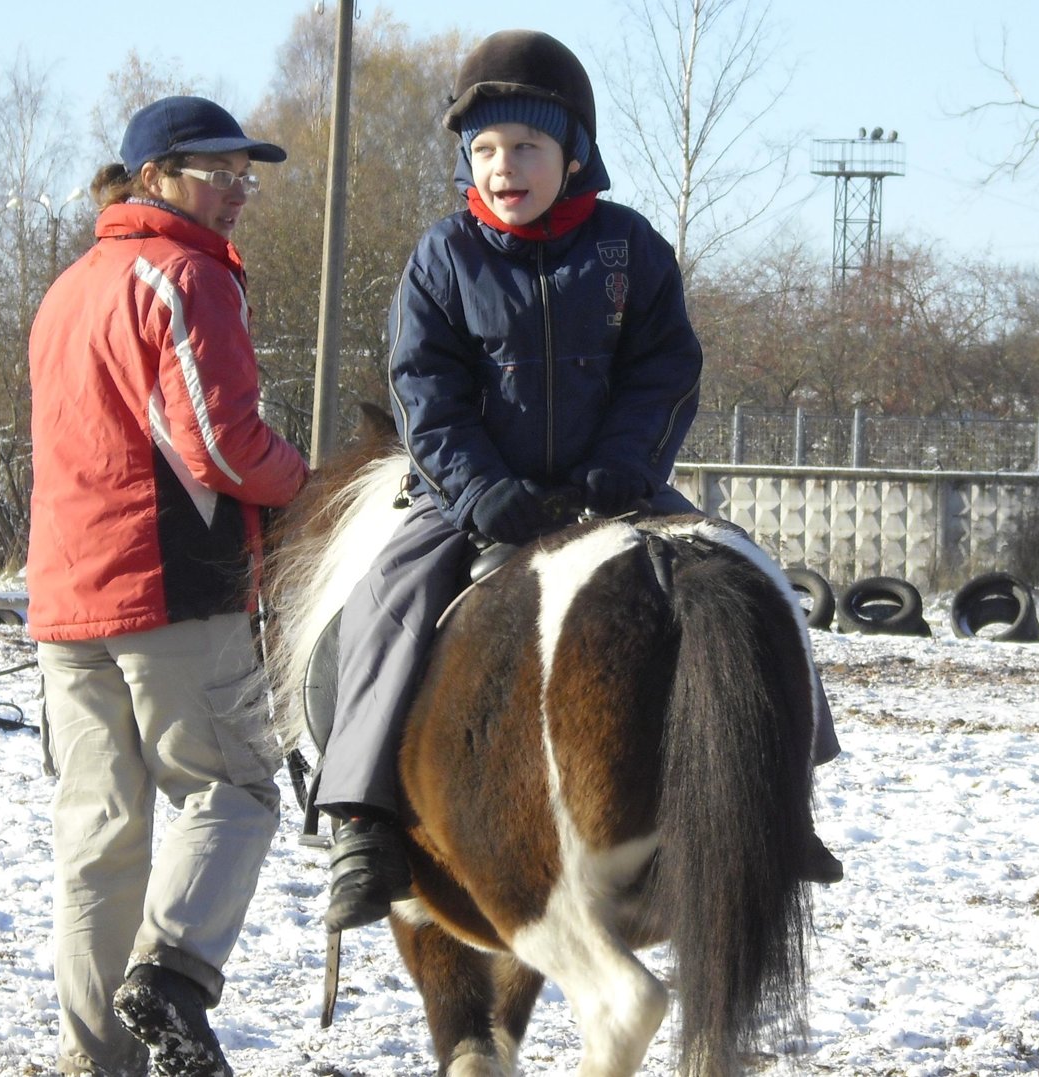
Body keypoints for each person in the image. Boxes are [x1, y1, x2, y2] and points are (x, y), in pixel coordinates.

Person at [315, 29, 842, 935]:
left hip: (617, 488)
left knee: (741, 575)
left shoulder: (629, 250)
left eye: (524, 147)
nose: (502, 167)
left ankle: (783, 799)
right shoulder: (443, 260)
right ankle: (361, 816)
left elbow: (666, 367)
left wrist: (626, 465)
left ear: (574, 152)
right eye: (483, 151)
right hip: (475, 499)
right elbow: (426, 392)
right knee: (388, 597)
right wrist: (482, 491)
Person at [26, 95, 307, 1077]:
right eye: (215, 171)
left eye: (246, 174)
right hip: (170, 593)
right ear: (155, 178)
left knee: (101, 842)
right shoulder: (186, 275)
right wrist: (301, 483)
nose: (237, 191)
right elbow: (223, 443)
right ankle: (174, 970)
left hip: (67, 603)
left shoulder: (69, 288)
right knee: (233, 787)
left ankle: (96, 1061)